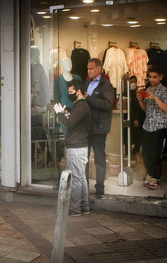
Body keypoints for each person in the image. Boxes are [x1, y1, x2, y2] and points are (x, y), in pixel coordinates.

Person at [53, 79, 91, 216]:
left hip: (76, 148)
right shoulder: (79, 105)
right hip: (79, 146)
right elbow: (73, 120)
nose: (69, 94)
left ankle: (75, 209)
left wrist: (60, 114)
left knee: (76, 179)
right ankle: (84, 207)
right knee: (80, 178)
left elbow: (70, 123)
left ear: (78, 91)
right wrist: (66, 113)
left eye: (71, 92)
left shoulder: (81, 105)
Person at [85, 58, 115, 198]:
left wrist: (88, 98)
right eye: (88, 68)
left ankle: (100, 189)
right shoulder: (87, 82)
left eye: (91, 68)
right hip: (86, 127)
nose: (89, 71)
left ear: (99, 69)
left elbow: (107, 105)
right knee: (83, 158)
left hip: (99, 128)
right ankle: (83, 187)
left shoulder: (106, 86)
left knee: (99, 159)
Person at [137, 66, 167, 190]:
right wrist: (140, 100)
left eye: (155, 77)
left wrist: (155, 97)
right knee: (146, 152)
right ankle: (150, 176)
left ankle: (155, 179)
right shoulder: (148, 89)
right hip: (147, 125)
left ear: (161, 77)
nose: (152, 79)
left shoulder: (165, 91)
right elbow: (145, 108)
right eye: (150, 77)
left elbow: (166, 108)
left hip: (160, 126)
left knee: (156, 153)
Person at [129, 76, 145, 154]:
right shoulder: (126, 93)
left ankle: (135, 151)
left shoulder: (138, 92)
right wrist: (134, 118)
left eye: (135, 81)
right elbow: (129, 108)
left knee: (139, 137)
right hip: (132, 118)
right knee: (131, 136)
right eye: (131, 81)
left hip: (140, 117)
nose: (133, 83)